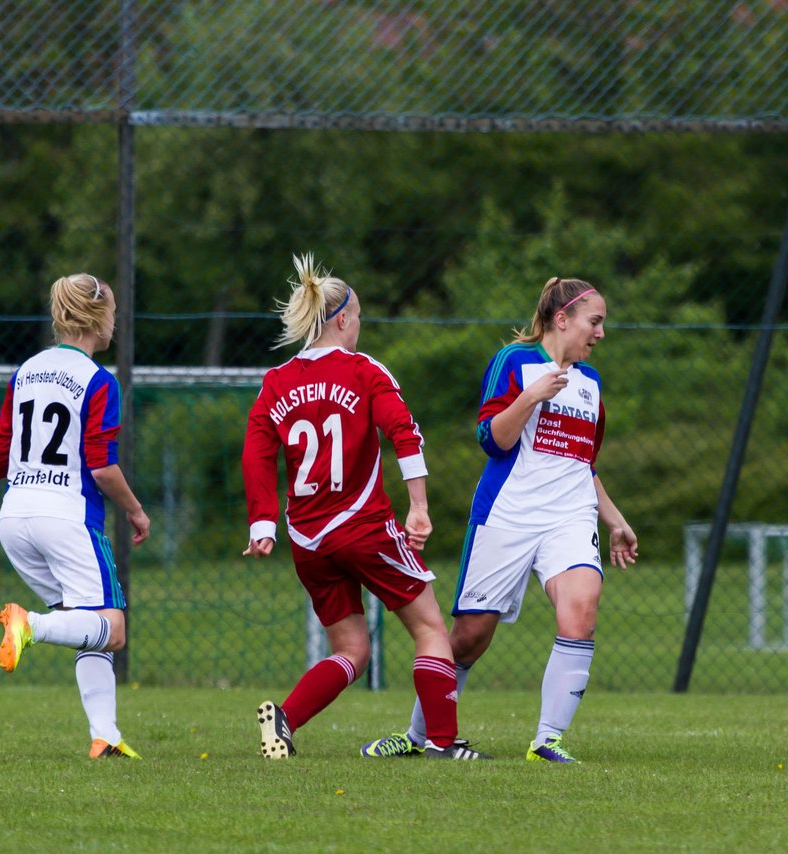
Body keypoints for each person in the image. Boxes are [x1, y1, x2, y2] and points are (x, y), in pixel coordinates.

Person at [364, 276, 638, 763]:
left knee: (581, 611)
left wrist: (614, 519)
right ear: (562, 319)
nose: (600, 333)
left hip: (569, 520)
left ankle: (547, 741)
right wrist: (531, 396)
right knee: (469, 637)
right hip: (507, 516)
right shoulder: (513, 362)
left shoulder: (591, 384)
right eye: (594, 322)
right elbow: (493, 440)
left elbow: (583, 465)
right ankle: (418, 734)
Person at [242, 253, 489, 761]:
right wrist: (418, 505)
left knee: (350, 650)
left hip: (308, 540)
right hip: (363, 526)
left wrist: (263, 522)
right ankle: (444, 743)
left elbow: (257, 454)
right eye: (359, 320)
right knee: (429, 630)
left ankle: (285, 719)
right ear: (343, 319)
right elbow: (405, 433)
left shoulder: (277, 381)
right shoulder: (362, 370)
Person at [0, 272, 151, 760]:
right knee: (114, 628)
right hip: (66, 519)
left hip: (14, 517)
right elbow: (101, 466)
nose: (115, 324)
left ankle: (105, 736)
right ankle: (29, 626)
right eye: (114, 315)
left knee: (87, 621)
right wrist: (136, 511)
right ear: (99, 318)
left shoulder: (25, 372)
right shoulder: (99, 380)